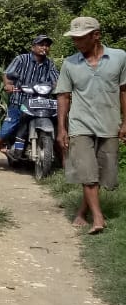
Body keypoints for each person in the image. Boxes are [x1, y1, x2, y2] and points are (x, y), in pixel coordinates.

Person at [55, 16, 126, 234]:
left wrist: (125, 122)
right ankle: (98, 218)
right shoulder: (70, 63)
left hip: (109, 123)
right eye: (74, 38)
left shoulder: (120, 57)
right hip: (80, 124)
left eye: (81, 38)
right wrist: (62, 129)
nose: (76, 42)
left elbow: (124, 91)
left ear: (96, 35)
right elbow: (63, 96)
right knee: (87, 171)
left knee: (102, 173)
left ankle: (81, 212)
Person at [0, 34, 60, 173]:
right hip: (19, 101)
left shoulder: (50, 64)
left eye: (47, 45)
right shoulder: (21, 59)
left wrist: (58, 87)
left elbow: (56, 80)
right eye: (41, 44)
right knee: (7, 129)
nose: (44, 48)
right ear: (33, 47)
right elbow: (7, 74)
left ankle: (63, 162)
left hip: (40, 104)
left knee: (60, 127)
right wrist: (8, 85)